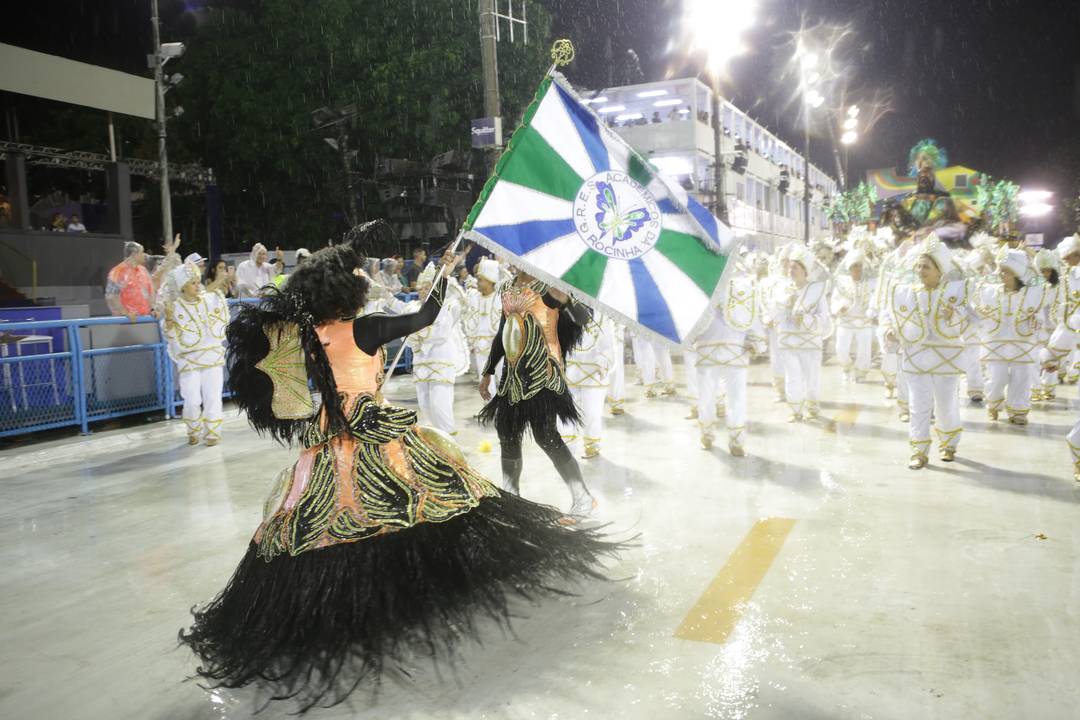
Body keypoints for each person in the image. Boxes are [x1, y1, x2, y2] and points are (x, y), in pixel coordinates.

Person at [179, 236, 618, 711]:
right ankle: (405, 588)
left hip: (329, 431)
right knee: (416, 497)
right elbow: (424, 318)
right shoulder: (365, 328)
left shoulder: (310, 331)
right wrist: (444, 276)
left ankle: (356, 602)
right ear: (344, 293)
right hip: (372, 426)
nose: (364, 282)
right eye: (357, 279)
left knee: (331, 514)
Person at [478, 269, 597, 521]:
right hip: (512, 377)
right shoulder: (507, 288)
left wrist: (568, 299)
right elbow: (502, 332)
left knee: (546, 436)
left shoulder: (549, 286)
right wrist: (488, 370)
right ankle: (511, 496)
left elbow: (584, 319)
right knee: (506, 432)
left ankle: (583, 496)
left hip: (544, 374)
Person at [882, 234, 975, 469]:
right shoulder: (905, 293)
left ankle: (948, 445)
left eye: (926, 266)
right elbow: (892, 318)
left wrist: (954, 315)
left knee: (946, 405)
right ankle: (919, 451)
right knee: (918, 406)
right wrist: (890, 332)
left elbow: (972, 320)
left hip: (947, 358)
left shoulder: (956, 293)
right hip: (916, 358)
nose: (921, 270)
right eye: (919, 266)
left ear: (939, 270)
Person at [693, 267, 766, 455]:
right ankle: (706, 434)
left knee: (737, 398)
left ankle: (736, 441)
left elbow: (753, 320)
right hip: (707, 350)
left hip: (736, 351)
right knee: (706, 396)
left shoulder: (743, 288)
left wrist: (755, 342)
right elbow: (690, 323)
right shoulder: (698, 286)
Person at [976, 249, 1046, 425]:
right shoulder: (990, 292)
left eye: (1005, 271)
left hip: (1022, 342)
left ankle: (1018, 411)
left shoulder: (1031, 293)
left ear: (1016, 273)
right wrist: (982, 312)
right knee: (997, 377)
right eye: (999, 270)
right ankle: (994, 403)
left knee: (1021, 377)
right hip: (996, 342)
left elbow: (1042, 286)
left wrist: (1031, 263)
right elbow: (976, 304)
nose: (1000, 274)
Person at [161, 264, 229, 445]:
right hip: (189, 360)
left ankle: (213, 432)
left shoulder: (206, 299)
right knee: (192, 399)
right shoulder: (174, 307)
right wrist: (168, 318)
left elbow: (211, 292)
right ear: (183, 286)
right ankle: (193, 429)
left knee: (213, 396)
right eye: (193, 283)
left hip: (212, 357)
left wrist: (219, 281)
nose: (197, 286)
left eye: (198, 282)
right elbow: (169, 334)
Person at [405, 263, 470, 435]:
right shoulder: (412, 308)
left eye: (427, 287)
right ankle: (439, 443)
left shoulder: (446, 306)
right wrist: (412, 335)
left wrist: (417, 334)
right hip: (421, 366)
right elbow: (408, 337)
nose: (423, 291)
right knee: (426, 406)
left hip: (441, 365)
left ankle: (450, 445)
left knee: (440, 406)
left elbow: (440, 333)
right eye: (421, 288)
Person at [771, 244, 831, 422]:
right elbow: (774, 314)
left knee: (812, 377)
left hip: (810, 342)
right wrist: (785, 307)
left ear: (805, 270)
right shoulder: (781, 289)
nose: (790, 270)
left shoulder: (817, 290)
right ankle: (796, 410)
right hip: (788, 342)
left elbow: (825, 319)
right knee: (792, 377)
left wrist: (805, 320)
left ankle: (812, 407)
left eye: (795, 267)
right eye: (789, 267)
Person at [559, 313, 617, 459]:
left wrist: (603, 362)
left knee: (591, 412)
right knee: (565, 411)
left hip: (594, 374)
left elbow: (608, 346)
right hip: (569, 371)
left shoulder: (602, 317)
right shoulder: (566, 313)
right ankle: (567, 445)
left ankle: (592, 445)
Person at [831, 249, 876, 382]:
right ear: (849, 268)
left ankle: (861, 373)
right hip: (845, 321)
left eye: (859, 265)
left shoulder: (870, 283)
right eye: (854, 266)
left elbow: (875, 300)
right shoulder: (841, 283)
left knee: (864, 351)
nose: (857, 268)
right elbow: (834, 300)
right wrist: (839, 308)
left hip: (864, 322)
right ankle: (846, 368)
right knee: (841, 349)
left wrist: (871, 311)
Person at [462, 258, 502, 382]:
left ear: (490, 281)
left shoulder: (501, 299)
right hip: (481, 348)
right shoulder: (473, 297)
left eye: (480, 280)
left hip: (500, 348)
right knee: (484, 383)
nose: (477, 282)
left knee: (504, 381)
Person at [105, 241, 154, 322]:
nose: (144, 255)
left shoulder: (143, 270)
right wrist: (125, 313)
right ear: (134, 254)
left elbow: (150, 293)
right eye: (142, 252)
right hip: (127, 321)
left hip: (146, 319)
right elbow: (112, 296)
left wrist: (152, 309)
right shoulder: (118, 271)